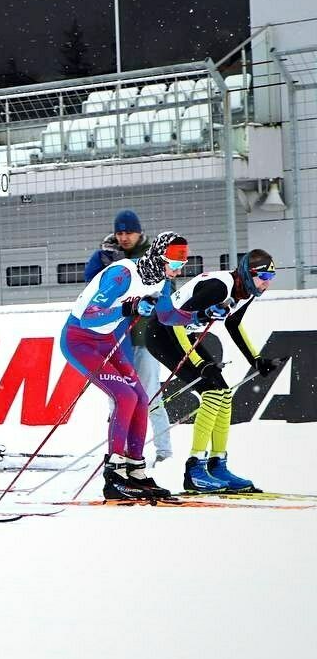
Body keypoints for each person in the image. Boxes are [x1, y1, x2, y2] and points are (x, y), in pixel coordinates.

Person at [61, 231, 193, 500]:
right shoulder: (122, 275)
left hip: (106, 339)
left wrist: (199, 315)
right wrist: (128, 309)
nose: (179, 269)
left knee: (141, 398)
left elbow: (167, 314)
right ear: (159, 257)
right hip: (79, 340)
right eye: (176, 262)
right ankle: (114, 474)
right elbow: (88, 317)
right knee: (124, 396)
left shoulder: (159, 280)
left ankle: (135, 469)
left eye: (183, 263)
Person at [145, 249, 280, 493]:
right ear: (248, 275)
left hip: (183, 335)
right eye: (263, 277)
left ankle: (218, 466)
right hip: (162, 333)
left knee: (225, 393)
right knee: (212, 393)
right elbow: (175, 320)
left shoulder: (246, 292)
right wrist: (198, 362)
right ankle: (195, 469)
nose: (267, 284)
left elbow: (233, 324)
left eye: (271, 278)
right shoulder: (219, 287)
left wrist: (256, 359)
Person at [84, 210, 173, 461]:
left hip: (145, 338)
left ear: (139, 232)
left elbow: (167, 291)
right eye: (120, 233)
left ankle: (164, 452)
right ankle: (119, 451)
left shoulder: (153, 257)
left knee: (150, 395)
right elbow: (92, 286)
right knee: (118, 397)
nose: (124, 237)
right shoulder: (105, 256)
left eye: (129, 232)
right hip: (116, 339)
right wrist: (109, 264)